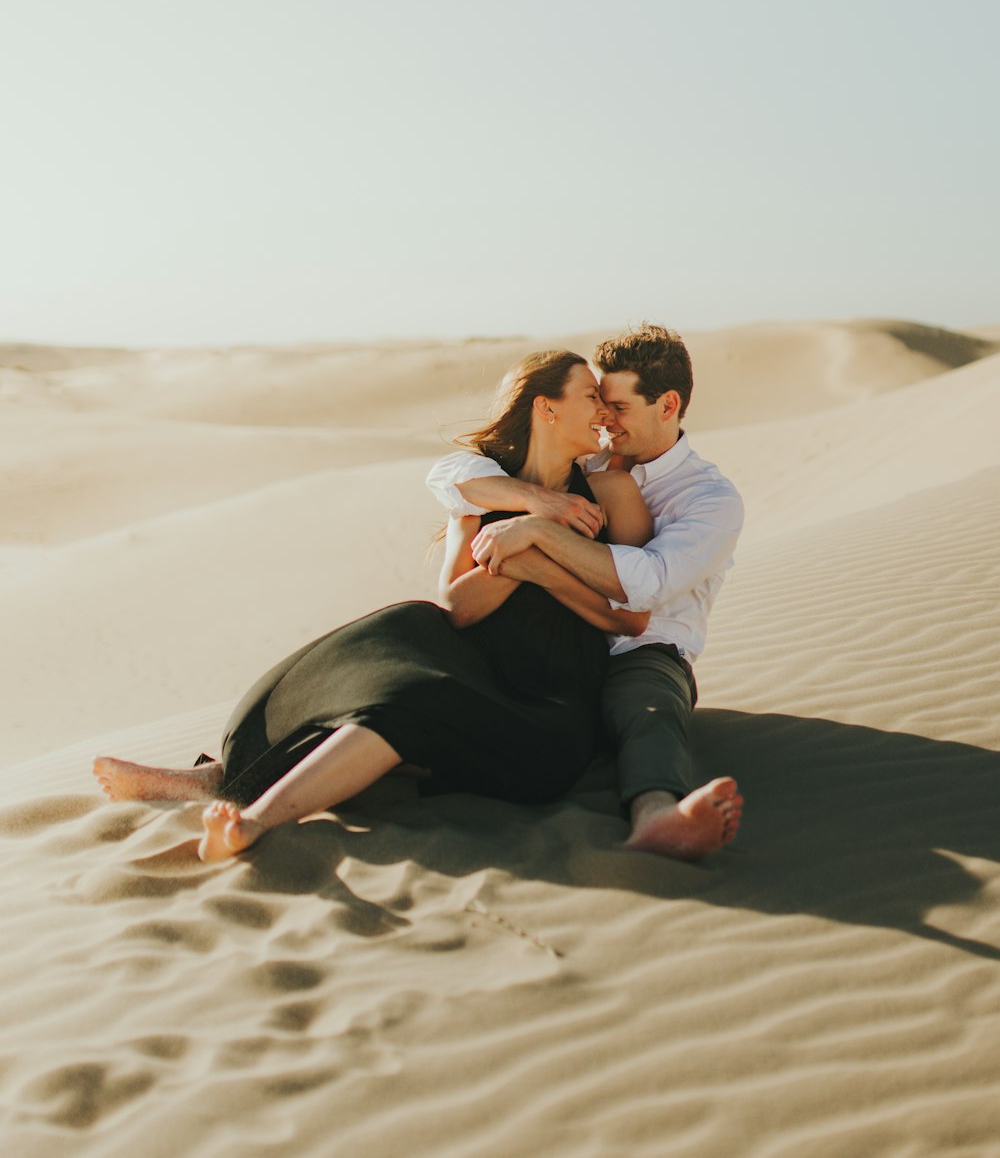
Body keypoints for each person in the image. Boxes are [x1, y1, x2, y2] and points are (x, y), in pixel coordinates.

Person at [94, 350, 659, 863]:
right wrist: (531, 522)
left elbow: (630, 614)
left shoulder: (612, 497)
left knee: (412, 703)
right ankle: (220, 777)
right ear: (547, 408)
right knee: (399, 636)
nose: (605, 414)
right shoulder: (482, 492)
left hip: (549, 706)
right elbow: (457, 607)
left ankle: (252, 821)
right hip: (476, 670)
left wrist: (532, 554)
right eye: (590, 397)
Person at [426, 324, 745, 861]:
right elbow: (449, 473)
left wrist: (539, 534)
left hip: (643, 649)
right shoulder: (590, 461)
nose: (602, 416)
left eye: (616, 405)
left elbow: (651, 583)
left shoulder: (709, 498)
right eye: (597, 400)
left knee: (646, 708)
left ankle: (657, 816)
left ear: (667, 405)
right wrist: (533, 499)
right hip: (556, 639)